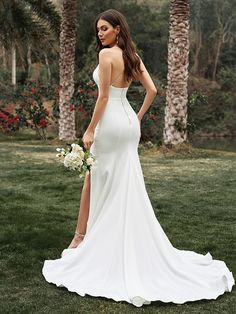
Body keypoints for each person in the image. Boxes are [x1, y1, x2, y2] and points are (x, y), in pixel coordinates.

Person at [42, 9, 234, 307]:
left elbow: (104, 97)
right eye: (98, 30)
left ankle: (82, 238)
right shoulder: (131, 56)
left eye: (104, 28)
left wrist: (90, 129)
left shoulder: (107, 56)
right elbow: (153, 90)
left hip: (110, 124)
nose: (100, 34)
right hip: (128, 123)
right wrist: (138, 118)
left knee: (95, 177)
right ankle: (88, 237)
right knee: (121, 181)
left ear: (118, 29)